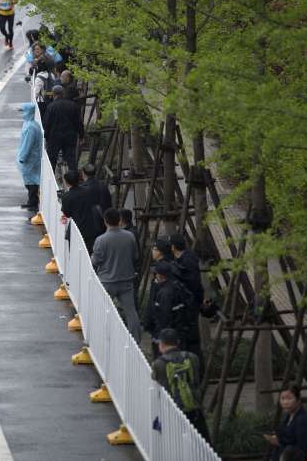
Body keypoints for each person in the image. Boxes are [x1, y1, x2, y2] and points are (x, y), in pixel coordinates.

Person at [91, 208, 141, 341]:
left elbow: (95, 261)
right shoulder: (130, 236)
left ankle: (100, 338)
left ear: (105, 221)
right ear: (119, 220)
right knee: (131, 312)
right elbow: (135, 256)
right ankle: (136, 340)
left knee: (101, 311)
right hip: (126, 280)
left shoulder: (101, 240)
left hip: (107, 281)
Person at [151, 328, 209, 442]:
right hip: (194, 408)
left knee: (178, 443)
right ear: (178, 342)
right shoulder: (193, 358)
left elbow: (154, 379)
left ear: (161, 344)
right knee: (202, 443)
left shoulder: (158, 364)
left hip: (173, 411)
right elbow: (198, 377)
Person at [264, 384, 307, 461]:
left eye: (289, 398)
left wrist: (279, 442)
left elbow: (302, 449)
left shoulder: (302, 420)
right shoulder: (288, 416)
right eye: (282, 398)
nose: (285, 402)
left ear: (298, 400)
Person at [61, 170, 104, 252]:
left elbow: (67, 214)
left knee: (75, 252)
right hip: (91, 226)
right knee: (89, 251)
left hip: (77, 227)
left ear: (67, 182)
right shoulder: (88, 191)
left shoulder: (66, 197)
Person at [45, 85, 83, 172]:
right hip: (70, 137)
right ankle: (73, 177)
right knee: (71, 159)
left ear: (54, 94)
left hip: (54, 137)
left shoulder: (51, 106)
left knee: (52, 160)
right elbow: (78, 122)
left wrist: (46, 137)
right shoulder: (73, 105)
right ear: (63, 93)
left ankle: (51, 177)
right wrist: (81, 136)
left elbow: (47, 124)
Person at [17, 102, 42, 211]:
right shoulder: (33, 124)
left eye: (23, 111)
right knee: (31, 179)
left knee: (31, 180)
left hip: (30, 158)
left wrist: (22, 157)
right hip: (33, 157)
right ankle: (32, 200)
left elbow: (27, 144)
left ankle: (32, 202)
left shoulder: (30, 127)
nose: (22, 113)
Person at [169, 233, 205, 307]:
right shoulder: (182, 257)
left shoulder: (188, 261)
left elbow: (193, 282)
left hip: (191, 299)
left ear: (173, 247)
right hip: (189, 298)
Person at [32, 58, 56, 123]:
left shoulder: (39, 78)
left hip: (41, 102)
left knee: (42, 120)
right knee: (50, 119)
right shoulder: (52, 75)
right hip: (52, 100)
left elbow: (36, 93)